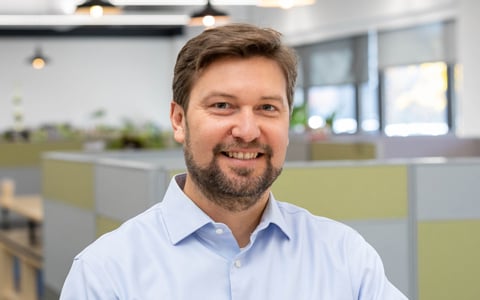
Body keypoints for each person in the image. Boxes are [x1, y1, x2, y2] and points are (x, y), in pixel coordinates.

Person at [60, 23, 408, 299]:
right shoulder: (106, 273)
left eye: (267, 108)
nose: (246, 130)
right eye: (222, 106)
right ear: (179, 120)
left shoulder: (344, 256)